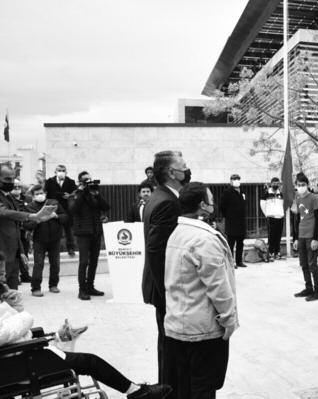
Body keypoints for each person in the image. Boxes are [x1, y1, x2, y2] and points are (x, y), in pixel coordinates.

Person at [0, 297, 172, 399]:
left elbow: (14, 332)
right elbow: (7, 333)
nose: (3, 276)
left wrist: (56, 336)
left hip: (24, 355)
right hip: (21, 364)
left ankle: (136, 391)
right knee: (90, 362)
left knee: (82, 356)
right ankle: (137, 393)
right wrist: (23, 315)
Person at [164, 182, 238, 399]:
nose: (213, 203)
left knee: (186, 387)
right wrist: (228, 319)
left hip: (179, 324)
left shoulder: (178, 232)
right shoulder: (203, 238)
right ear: (202, 206)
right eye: (210, 199)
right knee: (203, 388)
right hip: (203, 331)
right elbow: (218, 286)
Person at [142, 150, 186, 386]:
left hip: (162, 288)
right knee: (171, 349)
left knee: (167, 345)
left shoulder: (158, 197)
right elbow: (156, 250)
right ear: (171, 172)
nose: (186, 170)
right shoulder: (167, 202)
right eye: (183, 166)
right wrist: (167, 292)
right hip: (165, 289)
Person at [0, 165, 55, 290]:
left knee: (13, 291)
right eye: (7, 179)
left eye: (13, 179)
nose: (11, 182)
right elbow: (4, 212)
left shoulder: (9, 196)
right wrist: (32, 216)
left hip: (13, 252)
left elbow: (16, 226)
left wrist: (21, 251)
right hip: (2, 252)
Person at [68, 171, 110, 301]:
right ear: (80, 182)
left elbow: (106, 207)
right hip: (83, 233)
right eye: (85, 180)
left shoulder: (94, 193)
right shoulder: (76, 194)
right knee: (84, 261)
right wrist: (81, 192)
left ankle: (90, 286)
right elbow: (72, 210)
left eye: (89, 179)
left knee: (94, 261)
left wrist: (97, 194)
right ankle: (82, 290)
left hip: (96, 231)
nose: (89, 182)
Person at [25, 184, 68, 297]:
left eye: (41, 193)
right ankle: (35, 288)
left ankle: (53, 285)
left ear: (45, 193)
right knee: (38, 264)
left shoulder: (53, 202)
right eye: (37, 194)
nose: (40, 195)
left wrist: (56, 216)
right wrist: (38, 220)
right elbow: (27, 225)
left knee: (55, 263)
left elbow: (65, 217)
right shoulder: (30, 207)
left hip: (55, 238)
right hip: (39, 239)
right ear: (33, 196)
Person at [292, 173, 318, 302]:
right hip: (301, 235)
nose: (301, 187)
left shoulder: (313, 198)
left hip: (311, 236)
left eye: (303, 185)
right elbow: (297, 219)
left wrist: (316, 237)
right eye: (299, 185)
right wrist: (296, 238)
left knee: (312, 264)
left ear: (307, 185)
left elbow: (317, 218)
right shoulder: (298, 199)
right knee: (303, 264)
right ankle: (308, 287)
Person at [44, 164, 78, 257]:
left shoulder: (70, 181)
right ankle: (49, 250)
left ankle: (71, 249)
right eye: (59, 170)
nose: (61, 172)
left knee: (68, 231)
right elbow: (45, 194)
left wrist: (70, 196)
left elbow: (75, 193)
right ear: (55, 172)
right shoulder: (49, 181)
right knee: (52, 230)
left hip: (67, 209)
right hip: (53, 208)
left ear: (66, 172)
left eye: (63, 170)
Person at [220, 174, 247, 268]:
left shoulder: (242, 191)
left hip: (241, 221)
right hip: (231, 221)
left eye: (238, 179)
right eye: (234, 179)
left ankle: (239, 261)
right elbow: (222, 206)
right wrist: (227, 215)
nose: (237, 181)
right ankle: (231, 262)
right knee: (231, 244)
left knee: (240, 243)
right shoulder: (227, 192)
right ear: (231, 181)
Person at [264, 177, 284, 259]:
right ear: (271, 184)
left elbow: (282, 204)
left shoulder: (281, 193)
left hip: (280, 217)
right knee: (271, 236)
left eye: (277, 183)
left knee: (278, 235)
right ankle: (271, 252)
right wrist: (267, 214)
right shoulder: (266, 193)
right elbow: (262, 204)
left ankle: (277, 252)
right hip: (271, 217)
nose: (275, 184)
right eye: (274, 183)